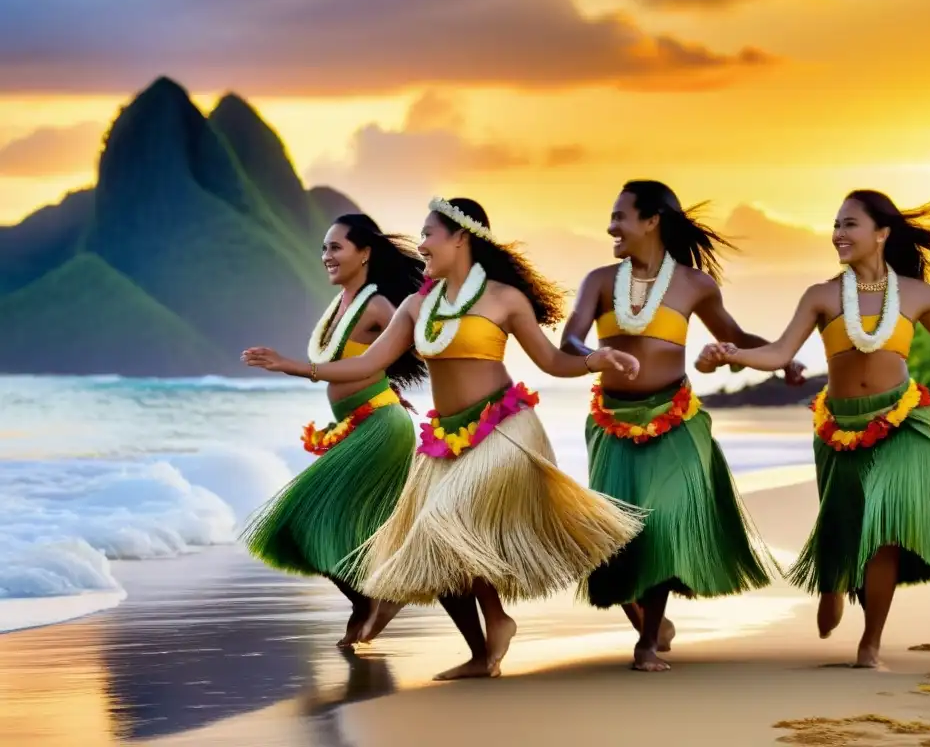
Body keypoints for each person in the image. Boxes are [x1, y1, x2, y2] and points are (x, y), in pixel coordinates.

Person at [243, 197, 646, 680]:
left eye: (429, 233)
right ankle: (485, 647)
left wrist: (593, 361)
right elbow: (368, 363)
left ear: (461, 237)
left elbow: (552, 362)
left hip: (505, 427)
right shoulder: (417, 306)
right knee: (438, 547)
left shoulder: (503, 298)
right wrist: (296, 366)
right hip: (449, 438)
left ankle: (636, 624)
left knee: (445, 525)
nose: (422, 243)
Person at [697, 189, 930, 668]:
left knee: (888, 524)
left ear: (882, 234)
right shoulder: (822, 296)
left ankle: (870, 642)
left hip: (905, 421)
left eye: (850, 224)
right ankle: (832, 580)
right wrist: (732, 354)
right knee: (844, 523)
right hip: (840, 427)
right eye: (835, 225)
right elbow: (779, 354)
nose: (838, 234)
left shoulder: (916, 295)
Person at [560, 179, 806, 672]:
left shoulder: (694, 284)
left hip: (676, 421)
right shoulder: (601, 280)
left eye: (620, 216)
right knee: (615, 535)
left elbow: (733, 338)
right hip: (613, 422)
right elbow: (569, 339)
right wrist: (596, 354)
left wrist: (780, 363)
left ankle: (647, 643)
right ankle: (647, 620)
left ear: (651, 221)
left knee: (663, 522)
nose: (611, 227)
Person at [241, 214, 426, 647]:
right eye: (324, 248)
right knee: (338, 526)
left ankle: (372, 600)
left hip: (381, 426)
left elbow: (414, 347)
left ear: (364, 253)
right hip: (353, 425)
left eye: (336, 247)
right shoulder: (339, 307)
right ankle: (378, 597)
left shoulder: (379, 305)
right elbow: (368, 358)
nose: (327, 256)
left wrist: (290, 364)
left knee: (304, 518)